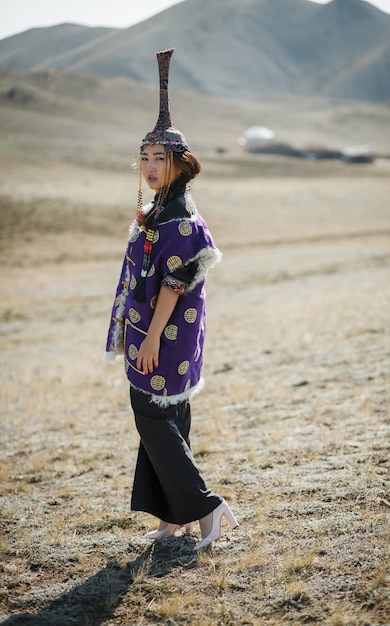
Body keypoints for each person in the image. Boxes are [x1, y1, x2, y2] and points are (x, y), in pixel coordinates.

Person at [105, 48, 238, 551]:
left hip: (166, 333)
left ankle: (205, 507)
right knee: (170, 419)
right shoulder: (159, 208)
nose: (149, 166)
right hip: (162, 331)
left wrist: (153, 336)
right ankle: (170, 517)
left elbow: (173, 284)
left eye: (159, 158)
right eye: (144, 157)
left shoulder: (179, 217)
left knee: (152, 416)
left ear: (180, 163)